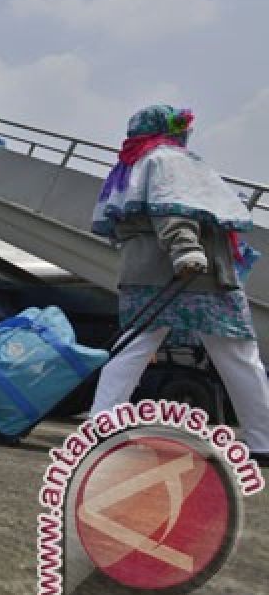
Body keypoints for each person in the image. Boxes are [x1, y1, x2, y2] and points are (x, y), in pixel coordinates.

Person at [88, 106, 269, 463]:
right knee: (237, 356)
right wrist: (186, 251)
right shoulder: (169, 160)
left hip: (145, 272)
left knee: (132, 350)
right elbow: (174, 208)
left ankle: (101, 428)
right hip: (196, 274)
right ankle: (262, 439)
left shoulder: (134, 164)